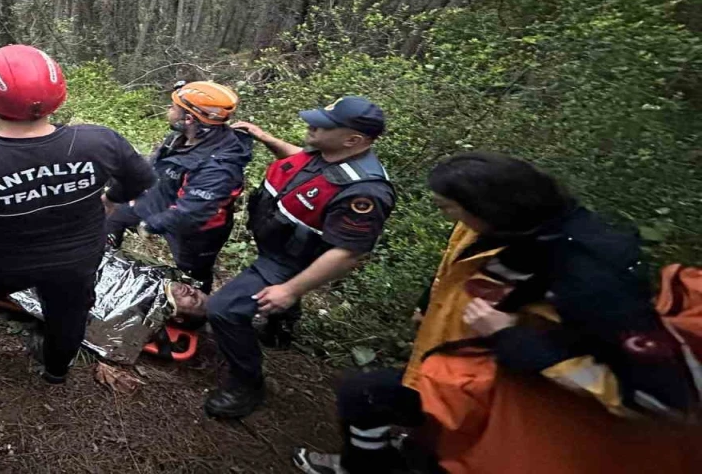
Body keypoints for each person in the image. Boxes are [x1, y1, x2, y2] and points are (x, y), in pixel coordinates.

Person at [293, 152, 700, 474]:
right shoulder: (519, 225)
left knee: (385, 408)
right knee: (374, 400)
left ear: (489, 207)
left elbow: (659, 398)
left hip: (533, 402)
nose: (446, 216)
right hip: (471, 367)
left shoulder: (593, 276)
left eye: (448, 208)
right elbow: (464, 266)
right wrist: (427, 305)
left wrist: (508, 336)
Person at [0, 44, 156, 383]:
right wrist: (113, 198)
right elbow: (141, 179)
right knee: (69, 314)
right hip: (77, 260)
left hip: (1, 262)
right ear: (58, 94)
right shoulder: (100, 142)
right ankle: (56, 371)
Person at [207, 96, 395, 419]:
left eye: (324, 125)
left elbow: (348, 253)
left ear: (353, 140)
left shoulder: (366, 192)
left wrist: (290, 289)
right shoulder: (329, 153)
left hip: (291, 261)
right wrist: (267, 138)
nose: (312, 126)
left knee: (223, 309)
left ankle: (246, 384)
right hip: (279, 245)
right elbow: (305, 164)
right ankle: (280, 328)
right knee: (261, 303)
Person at [104, 81, 252, 293]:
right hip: (161, 199)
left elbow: (192, 212)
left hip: (196, 229)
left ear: (189, 118)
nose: (169, 109)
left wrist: (150, 225)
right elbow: (160, 164)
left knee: (192, 275)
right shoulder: (184, 135)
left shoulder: (220, 167)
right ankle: (105, 265)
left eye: (173, 107)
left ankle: (197, 305)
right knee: (112, 218)